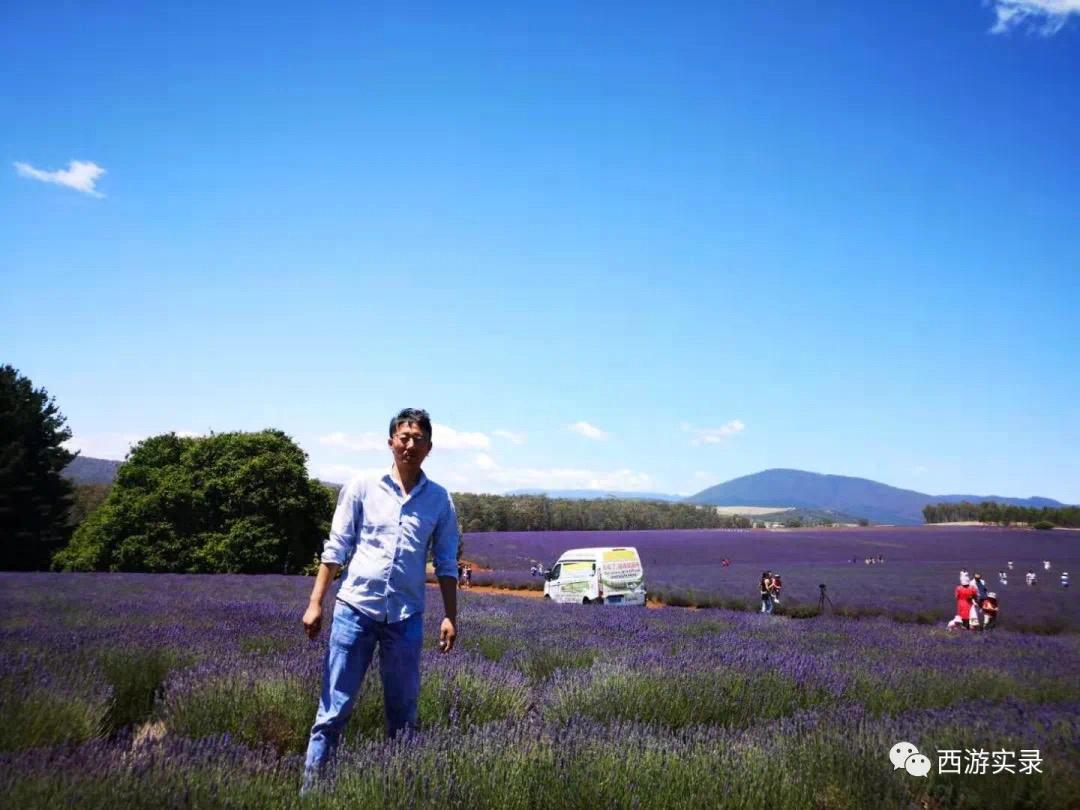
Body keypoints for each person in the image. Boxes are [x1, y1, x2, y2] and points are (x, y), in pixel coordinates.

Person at [300, 409, 459, 792]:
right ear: (390, 442)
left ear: (429, 447)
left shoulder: (439, 500)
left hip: (405, 619)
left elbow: (447, 561)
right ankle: (311, 794)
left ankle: (394, 793)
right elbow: (335, 548)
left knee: (403, 715)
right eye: (403, 437)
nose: (410, 444)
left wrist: (451, 616)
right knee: (333, 711)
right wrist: (316, 603)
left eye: (418, 438)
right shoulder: (362, 486)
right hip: (355, 611)